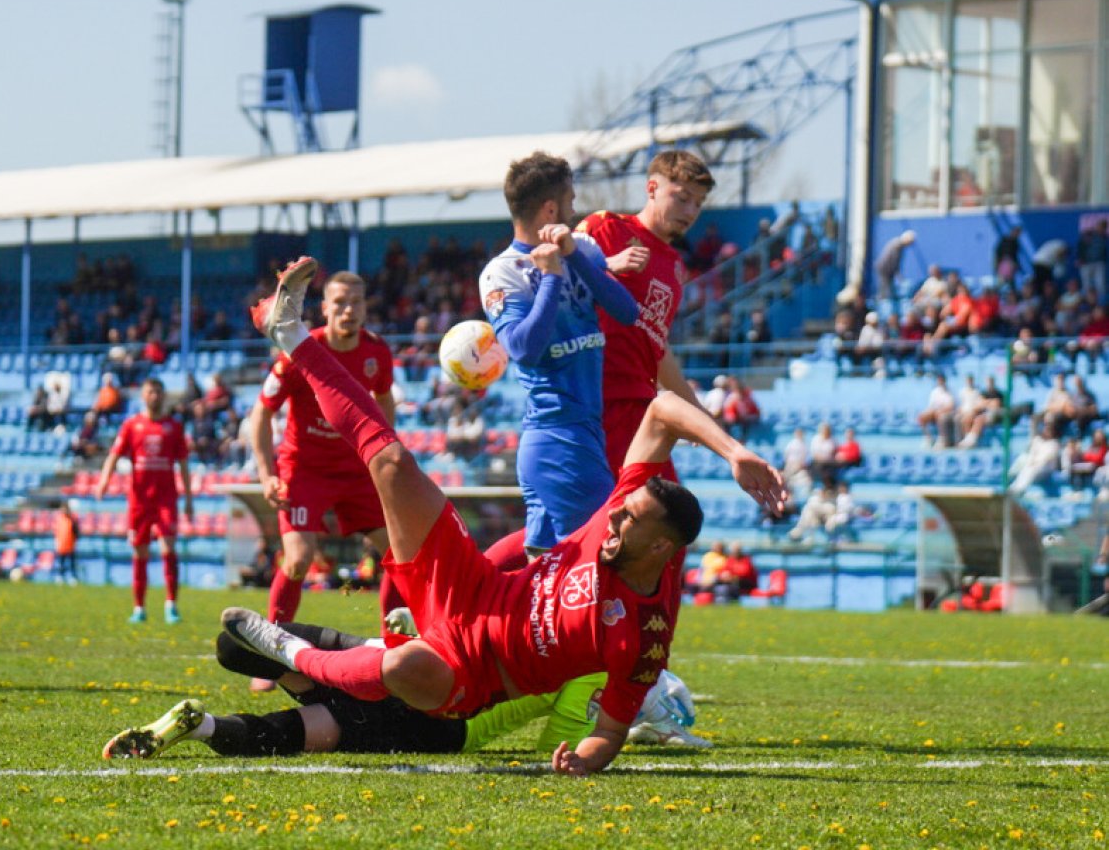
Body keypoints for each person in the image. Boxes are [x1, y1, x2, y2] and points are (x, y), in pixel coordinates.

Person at [226, 257, 785, 775]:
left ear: (662, 548)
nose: (612, 519)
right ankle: (291, 333)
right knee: (392, 461)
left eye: (628, 520)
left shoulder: (643, 638)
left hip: (475, 673)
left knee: (403, 672)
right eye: (622, 510)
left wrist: (584, 759)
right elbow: (662, 410)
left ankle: (294, 653)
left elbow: (611, 731)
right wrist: (734, 452)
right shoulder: (626, 508)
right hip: (473, 587)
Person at [103, 619, 706, 761]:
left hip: (411, 670)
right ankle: (206, 726)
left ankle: (305, 658)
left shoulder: (546, 637)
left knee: (238, 647)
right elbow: (561, 749)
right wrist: (609, 736)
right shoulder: (583, 679)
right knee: (325, 731)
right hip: (443, 724)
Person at [478, 151, 638, 552]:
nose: (574, 208)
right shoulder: (502, 272)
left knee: (543, 582)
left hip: (582, 432)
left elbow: (626, 311)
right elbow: (523, 348)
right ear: (551, 208)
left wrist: (572, 258)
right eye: (570, 201)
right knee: (605, 556)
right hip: (558, 437)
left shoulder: (580, 246)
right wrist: (550, 277)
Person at [248, 270, 400, 653]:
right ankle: (273, 652)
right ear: (325, 308)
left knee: (397, 553)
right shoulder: (301, 351)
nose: (349, 311)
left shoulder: (377, 352)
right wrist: (267, 475)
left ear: (366, 308)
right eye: (340, 303)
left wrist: (384, 452)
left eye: (357, 303)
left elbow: (384, 399)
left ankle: (395, 647)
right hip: (305, 469)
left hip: (355, 469)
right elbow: (262, 413)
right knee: (298, 559)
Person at [576, 150, 717, 477]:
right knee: (650, 516)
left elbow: (656, 347)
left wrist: (697, 411)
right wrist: (607, 265)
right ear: (651, 188)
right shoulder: (605, 227)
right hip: (597, 400)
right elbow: (554, 278)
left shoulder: (675, 266)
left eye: (698, 203)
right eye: (682, 198)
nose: (691, 211)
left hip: (641, 406)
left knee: (655, 518)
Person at [94, 378, 194, 624]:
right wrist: (104, 481)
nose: (154, 396)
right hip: (139, 500)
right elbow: (114, 455)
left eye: (159, 392)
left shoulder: (174, 427)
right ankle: (139, 607)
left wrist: (189, 498)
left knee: (168, 548)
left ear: (163, 396)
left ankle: (171, 605)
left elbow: (183, 464)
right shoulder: (132, 425)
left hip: (166, 499)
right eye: (150, 392)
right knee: (140, 552)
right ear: (143, 395)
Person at [873, 230, 916, 300]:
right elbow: (894, 260)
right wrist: (898, 274)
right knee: (885, 288)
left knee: (886, 287)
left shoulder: (897, 243)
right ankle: (883, 302)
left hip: (886, 268)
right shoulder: (897, 245)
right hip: (885, 268)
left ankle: (883, 299)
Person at [918, 374, 957, 448]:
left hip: (947, 413)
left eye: (942, 380)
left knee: (940, 416)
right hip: (935, 411)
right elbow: (931, 406)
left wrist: (940, 410)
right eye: (939, 380)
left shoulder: (951, 391)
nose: (940, 382)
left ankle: (942, 438)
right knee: (922, 417)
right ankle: (928, 438)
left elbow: (951, 406)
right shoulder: (935, 392)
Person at [54, 500, 80, 583]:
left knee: (72, 562)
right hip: (61, 544)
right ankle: (60, 576)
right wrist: (56, 541)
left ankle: (73, 577)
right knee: (61, 562)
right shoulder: (59, 519)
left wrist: (75, 541)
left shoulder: (72, 519)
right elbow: (57, 531)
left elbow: (76, 532)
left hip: (70, 544)